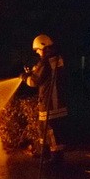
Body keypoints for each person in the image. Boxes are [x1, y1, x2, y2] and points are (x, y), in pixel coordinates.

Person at [21, 33, 68, 162]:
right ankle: (46, 154)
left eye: (38, 50)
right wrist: (34, 70)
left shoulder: (46, 62)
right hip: (57, 101)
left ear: (44, 47)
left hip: (50, 103)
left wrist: (25, 77)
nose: (38, 53)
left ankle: (54, 158)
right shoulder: (56, 59)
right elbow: (45, 75)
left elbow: (34, 82)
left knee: (50, 130)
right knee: (48, 129)